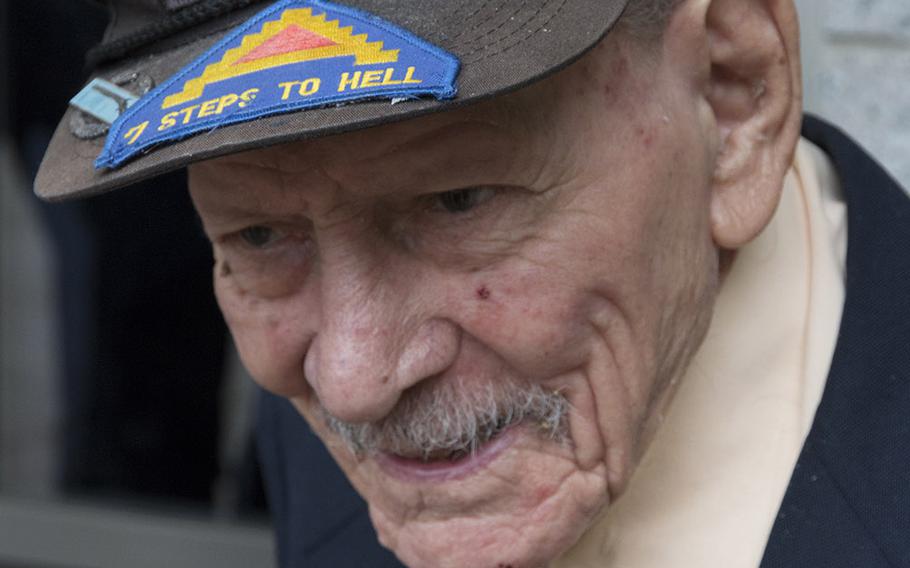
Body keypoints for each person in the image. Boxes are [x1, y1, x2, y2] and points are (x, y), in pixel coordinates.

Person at [34, 0, 909, 566]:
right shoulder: (331, 434)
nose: (354, 377)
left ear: (732, 95)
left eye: (457, 201)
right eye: (260, 235)